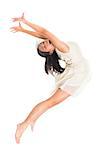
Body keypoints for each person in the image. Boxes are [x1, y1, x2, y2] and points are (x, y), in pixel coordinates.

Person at [10, 13, 90, 144]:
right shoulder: (62, 48)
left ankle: (30, 120)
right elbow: (44, 32)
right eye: (44, 46)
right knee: (50, 102)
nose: (45, 43)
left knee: (51, 103)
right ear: (50, 51)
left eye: (43, 43)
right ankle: (24, 124)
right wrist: (26, 22)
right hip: (78, 75)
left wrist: (23, 29)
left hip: (78, 73)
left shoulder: (56, 46)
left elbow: (42, 35)